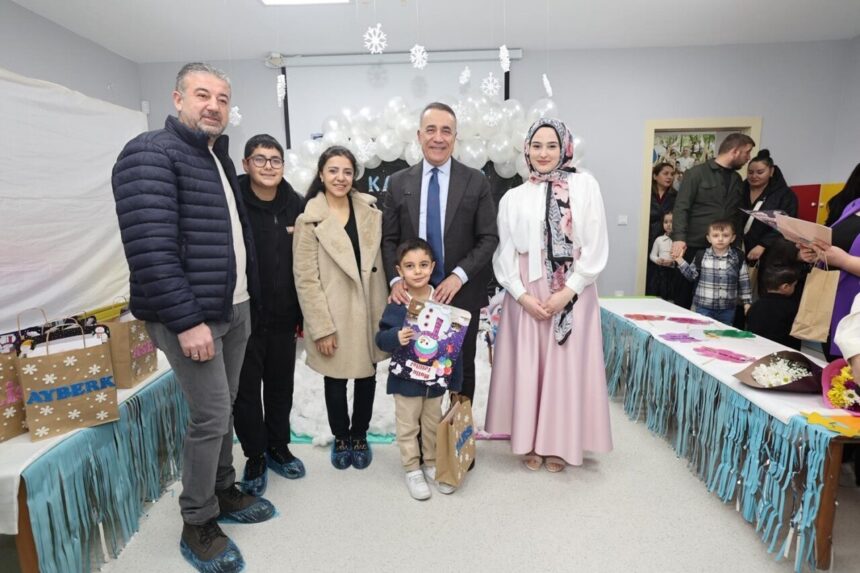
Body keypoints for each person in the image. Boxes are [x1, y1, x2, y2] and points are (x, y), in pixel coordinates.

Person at [112, 62, 273, 573]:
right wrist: (186, 321)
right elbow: (150, 250)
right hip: (193, 316)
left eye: (222, 99)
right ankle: (197, 520)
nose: (214, 106)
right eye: (202, 95)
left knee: (223, 410)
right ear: (177, 98)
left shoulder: (214, 156)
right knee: (210, 415)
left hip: (234, 307)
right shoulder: (150, 153)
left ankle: (223, 489)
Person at [485, 118, 613, 473]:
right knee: (529, 366)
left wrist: (568, 292)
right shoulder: (513, 197)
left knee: (565, 367)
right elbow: (505, 253)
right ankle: (529, 439)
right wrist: (521, 295)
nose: (543, 153)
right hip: (526, 293)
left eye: (552, 146)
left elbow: (596, 244)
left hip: (572, 290)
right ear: (526, 150)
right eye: (537, 146)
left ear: (565, 148)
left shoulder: (584, 186)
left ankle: (560, 443)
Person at [382, 102, 499, 408]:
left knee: (461, 368)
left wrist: (458, 277)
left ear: (455, 137)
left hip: (461, 292)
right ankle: (423, 432)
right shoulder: (399, 182)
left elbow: (488, 237)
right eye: (430, 130)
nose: (438, 137)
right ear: (419, 135)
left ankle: (459, 432)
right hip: (413, 294)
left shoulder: (475, 181)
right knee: (417, 365)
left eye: (446, 131)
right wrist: (395, 280)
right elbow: (389, 239)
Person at [293, 145, 388, 470]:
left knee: (367, 377)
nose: (340, 177)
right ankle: (341, 437)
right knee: (335, 379)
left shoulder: (370, 210)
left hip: (370, 308)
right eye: (333, 170)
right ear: (321, 174)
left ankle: (359, 435)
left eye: (347, 171)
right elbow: (305, 279)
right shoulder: (309, 220)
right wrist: (321, 327)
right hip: (333, 313)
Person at [233, 134, 305, 497]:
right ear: (246, 164)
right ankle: (255, 455)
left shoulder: (296, 205)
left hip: (284, 315)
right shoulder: (232, 201)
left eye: (275, 160)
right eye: (259, 160)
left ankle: (278, 447)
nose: (268, 167)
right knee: (246, 392)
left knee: (280, 387)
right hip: (244, 316)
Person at [375, 238, 462, 500]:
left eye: (423, 265)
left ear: (433, 266)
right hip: (405, 381)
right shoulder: (398, 302)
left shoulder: (443, 302)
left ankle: (432, 463)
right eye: (410, 266)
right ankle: (412, 468)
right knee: (407, 426)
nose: (417, 271)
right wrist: (395, 336)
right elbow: (381, 339)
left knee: (432, 424)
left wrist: (454, 382)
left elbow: (453, 345)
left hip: (434, 383)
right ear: (399, 271)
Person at [671, 132, 755, 310]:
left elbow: (737, 215)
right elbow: (681, 207)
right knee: (683, 297)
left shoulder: (737, 179)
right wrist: (679, 238)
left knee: (718, 299)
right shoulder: (696, 174)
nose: (748, 158)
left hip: (724, 248)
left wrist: (737, 244)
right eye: (747, 152)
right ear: (735, 151)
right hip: (694, 245)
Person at [799, 163, 860, 360]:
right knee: (835, 368)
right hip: (832, 303)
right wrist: (816, 252)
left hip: (854, 309)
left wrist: (845, 261)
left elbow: (844, 256)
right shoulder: (852, 206)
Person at [674, 220, 752, 325]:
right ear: (709, 238)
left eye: (725, 235)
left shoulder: (738, 257)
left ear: (733, 238)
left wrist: (747, 302)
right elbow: (691, 276)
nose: (720, 239)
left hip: (728, 309)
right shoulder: (701, 255)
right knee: (702, 331)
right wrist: (679, 260)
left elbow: (744, 281)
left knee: (724, 333)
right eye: (715, 235)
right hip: (703, 307)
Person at [740, 149, 798, 267]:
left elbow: (785, 224)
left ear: (771, 171)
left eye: (760, 172)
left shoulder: (785, 195)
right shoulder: (740, 189)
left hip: (770, 252)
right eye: (750, 172)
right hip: (738, 246)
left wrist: (763, 245)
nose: (754, 176)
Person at [746, 265, 801, 349]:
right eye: (794, 285)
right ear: (785, 287)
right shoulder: (792, 307)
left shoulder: (756, 305)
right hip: (782, 351)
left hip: (756, 348)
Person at [646, 162, 676, 296]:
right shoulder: (647, 194)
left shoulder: (676, 196)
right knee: (650, 277)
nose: (669, 177)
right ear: (655, 176)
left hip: (668, 240)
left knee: (667, 277)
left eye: (672, 174)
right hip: (649, 239)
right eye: (665, 173)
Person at [648, 212, 676, 301]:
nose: (668, 225)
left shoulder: (679, 241)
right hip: (660, 272)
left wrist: (672, 263)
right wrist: (657, 260)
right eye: (665, 222)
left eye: (671, 222)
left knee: (672, 296)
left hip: (674, 273)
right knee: (660, 295)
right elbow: (652, 255)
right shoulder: (659, 240)